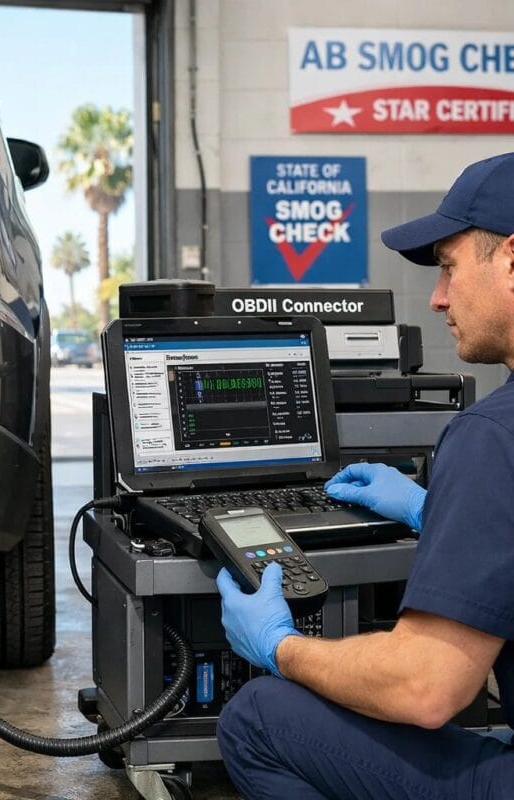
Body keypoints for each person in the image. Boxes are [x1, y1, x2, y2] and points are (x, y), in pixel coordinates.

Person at [216, 152, 514, 799]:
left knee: (257, 719)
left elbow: (425, 688)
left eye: (449, 267)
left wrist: (279, 646)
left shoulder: (492, 435)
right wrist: (435, 511)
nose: (437, 297)